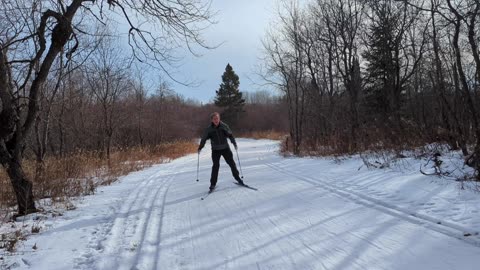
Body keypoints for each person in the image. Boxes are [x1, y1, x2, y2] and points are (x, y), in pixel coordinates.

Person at [198, 112, 244, 191]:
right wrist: (200, 148)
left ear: (219, 119)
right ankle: (213, 184)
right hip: (215, 150)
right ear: (212, 120)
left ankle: (238, 178)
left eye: (217, 118)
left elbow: (230, 135)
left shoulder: (224, 126)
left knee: (232, 164)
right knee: (216, 166)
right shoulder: (209, 129)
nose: (216, 120)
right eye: (214, 119)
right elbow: (204, 139)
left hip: (225, 149)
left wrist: (234, 143)